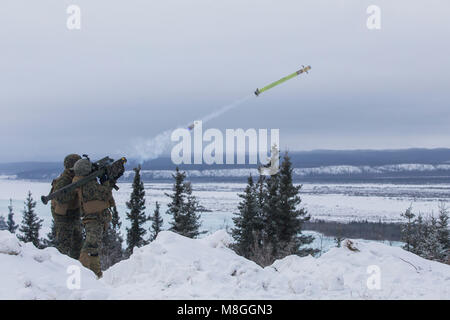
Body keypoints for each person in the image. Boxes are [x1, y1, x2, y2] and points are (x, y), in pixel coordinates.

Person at [72, 158, 115, 278]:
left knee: (94, 248)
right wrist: (105, 181)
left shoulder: (80, 181)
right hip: (94, 219)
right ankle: (81, 274)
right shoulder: (89, 184)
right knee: (90, 246)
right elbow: (106, 193)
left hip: (93, 218)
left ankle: (97, 274)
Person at [50, 154, 83, 259]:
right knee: (64, 244)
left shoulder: (74, 177)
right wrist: (74, 189)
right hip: (63, 215)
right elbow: (60, 198)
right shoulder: (64, 179)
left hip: (73, 212)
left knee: (77, 241)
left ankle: (76, 263)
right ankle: (61, 266)